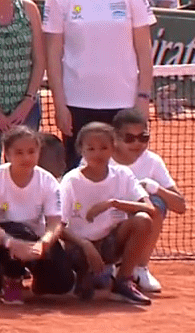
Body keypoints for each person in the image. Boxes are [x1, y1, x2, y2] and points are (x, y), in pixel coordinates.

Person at [43, 0, 154, 168]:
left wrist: (143, 97)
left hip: (123, 103)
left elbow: (144, 51)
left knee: (126, 173)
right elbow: (53, 55)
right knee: (79, 173)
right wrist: (60, 104)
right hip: (77, 103)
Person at [59, 122, 155, 304]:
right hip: (79, 248)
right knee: (84, 295)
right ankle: (85, 277)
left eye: (104, 147)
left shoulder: (123, 174)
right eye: (91, 148)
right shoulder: (71, 180)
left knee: (143, 220)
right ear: (81, 150)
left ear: (113, 148)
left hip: (110, 244)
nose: (98, 154)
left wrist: (113, 203)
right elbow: (59, 227)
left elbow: (150, 208)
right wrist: (86, 245)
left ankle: (123, 281)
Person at [0, 126, 73, 305]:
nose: (26, 157)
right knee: (19, 231)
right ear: (7, 154)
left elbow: (55, 223)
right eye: (19, 152)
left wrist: (43, 244)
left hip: (35, 239)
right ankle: (11, 277)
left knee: (62, 283)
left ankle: (10, 271)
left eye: (31, 151)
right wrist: (11, 243)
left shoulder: (48, 181)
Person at [111, 108, 185, 293]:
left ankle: (139, 268)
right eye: (129, 138)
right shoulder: (101, 156)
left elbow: (180, 206)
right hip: (106, 229)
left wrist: (156, 188)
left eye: (143, 137)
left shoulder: (153, 161)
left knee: (157, 204)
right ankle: (109, 264)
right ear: (115, 138)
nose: (137, 143)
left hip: (138, 223)